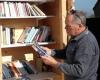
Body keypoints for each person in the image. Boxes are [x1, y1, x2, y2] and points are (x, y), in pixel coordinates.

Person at [40, 10, 100, 80]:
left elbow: (79, 71)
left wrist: (55, 63)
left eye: (68, 26)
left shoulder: (86, 42)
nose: (65, 28)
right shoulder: (75, 36)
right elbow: (66, 53)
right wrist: (50, 52)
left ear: (79, 26)